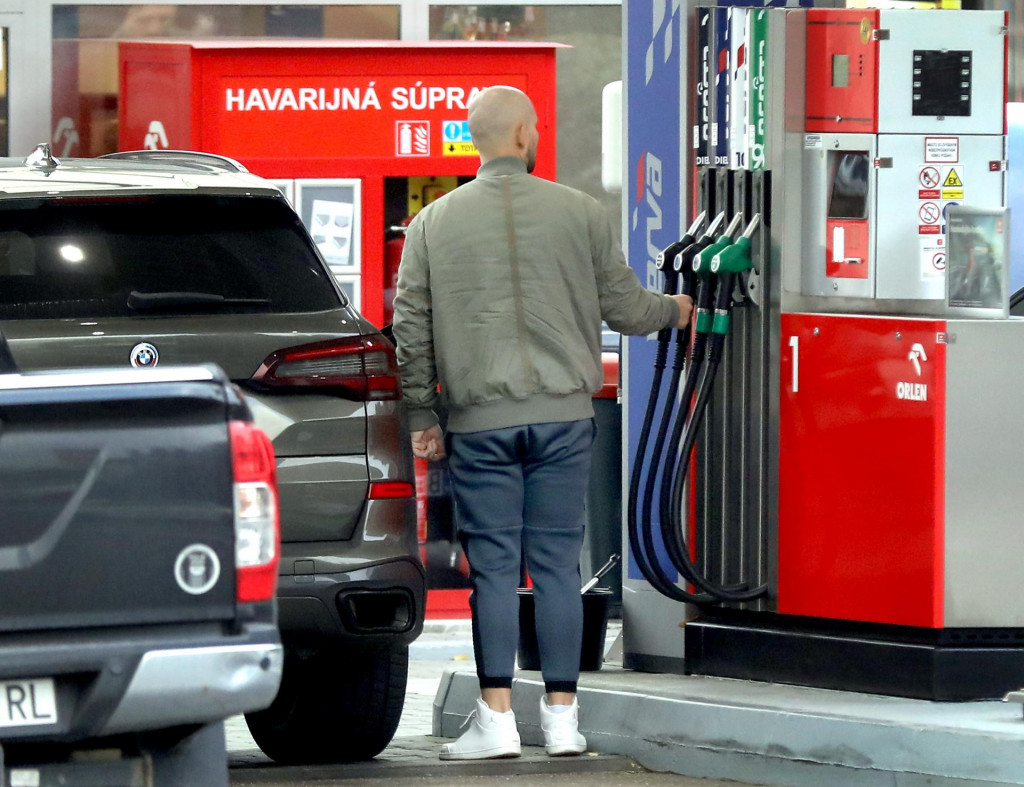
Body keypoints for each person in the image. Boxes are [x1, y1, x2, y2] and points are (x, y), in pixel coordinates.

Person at [391, 85, 692, 761]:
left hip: (479, 422)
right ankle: (563, 721)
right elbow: (627, 308)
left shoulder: (431, 224)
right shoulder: (581, 212)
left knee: (494, 568)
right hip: (563, 416)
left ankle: (496, 721)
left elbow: (410, 326)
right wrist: (681, 309)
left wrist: (421, 411)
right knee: (558, 565)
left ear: (477, 140)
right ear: (526, 135)